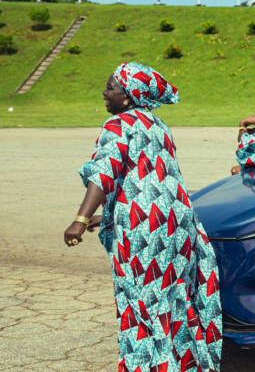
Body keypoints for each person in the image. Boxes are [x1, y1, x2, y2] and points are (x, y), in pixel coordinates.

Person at [63, 62, 222, 372]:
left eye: (111, 87)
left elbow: (105, 172)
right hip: (177, 225)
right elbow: (150, 180)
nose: (105, 92)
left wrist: (81, 219)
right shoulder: (158, 125)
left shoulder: (119, 124)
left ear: (128, 96)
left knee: (141, 303)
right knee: (174, 300)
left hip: (144, 231)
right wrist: (106, 218)